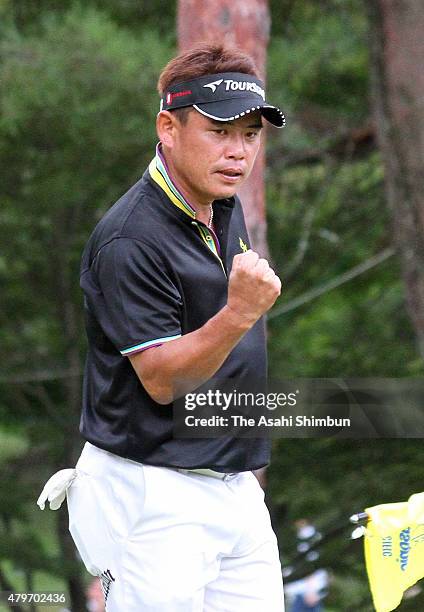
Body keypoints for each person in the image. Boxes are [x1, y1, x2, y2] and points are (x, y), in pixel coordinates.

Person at [37, 43, 285, 611]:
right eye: (220, 132)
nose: (238, 152)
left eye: (251, 134)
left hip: (233, 487)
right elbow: (163, 382)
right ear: (168, 128)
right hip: (150, 495)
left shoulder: (223, 204)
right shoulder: (130, 239)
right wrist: (240, 313)